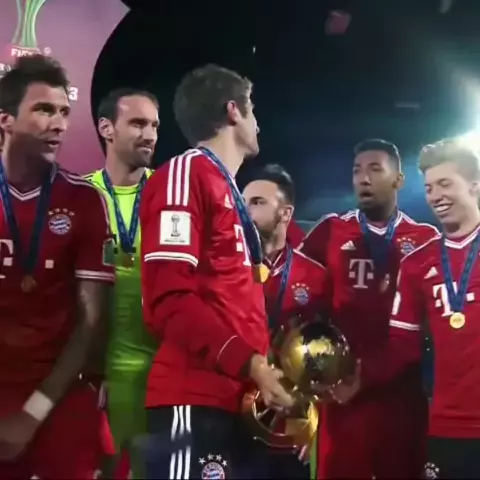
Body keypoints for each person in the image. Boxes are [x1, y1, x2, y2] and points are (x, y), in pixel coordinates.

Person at [138, 64, 294, 479]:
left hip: (236, 401)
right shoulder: (185, 175)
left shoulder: (226, 189)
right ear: (233, 111)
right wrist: (252, 363)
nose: (258, 121)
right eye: (252, 109)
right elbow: (169, 301)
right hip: (194, 399)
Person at [0, 55, 115, 479]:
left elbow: (91, 322)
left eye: (64, 112)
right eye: (44, 110)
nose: (60, 124)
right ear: (6, 120)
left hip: (57, 391)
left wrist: (33, 412)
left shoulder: (84, 200)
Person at [299, 139, 439, 479]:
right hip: (342, 394)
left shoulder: (426, 239)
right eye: (357, 170)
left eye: (375, 169)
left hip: (402, 396)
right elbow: (297, 302)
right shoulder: (329, 231)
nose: (363, 178)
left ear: (398, 180)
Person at [364, 139, 480, 479]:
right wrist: (356, 374)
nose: (436, 196)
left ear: (474, 187)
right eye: (429, 188)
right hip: (447, 425)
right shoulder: (417, 263)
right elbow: (402, 347)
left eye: (445, 184)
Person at [85, 87, 160, 478]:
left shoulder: (170, 196)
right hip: (94, 375)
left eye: (155, 126)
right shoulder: (82, 196)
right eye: (138, 123)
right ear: (106, 128)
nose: (150, 135)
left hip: (160, 374)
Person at [243, 164, 329, 479]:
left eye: (257, 202)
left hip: (289, 423)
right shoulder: (227, 270)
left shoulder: (316, 277)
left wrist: (314, 421)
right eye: (242, 202)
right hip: (232, 416)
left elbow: (323, 357)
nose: (245, 212)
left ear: (286, 213)